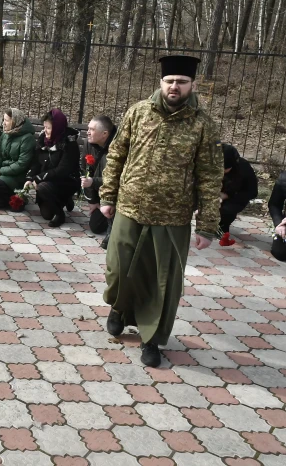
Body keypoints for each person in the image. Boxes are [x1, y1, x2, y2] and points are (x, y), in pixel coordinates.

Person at [99, 55, 223, 368]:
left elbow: (210, 176)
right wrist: (107, 195)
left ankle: (151, 338)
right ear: (161, 82)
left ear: (192, 85)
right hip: (130, 206)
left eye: (181, 82)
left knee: (163, 282)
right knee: (118, 269)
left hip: (173, 215)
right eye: (170, 81)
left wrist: (207, 225)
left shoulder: (203, 125)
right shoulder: (138, 112)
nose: (174, 87)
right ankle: (119, 309)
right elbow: (116, 155)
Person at [24, 109, 80, 227]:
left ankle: (60, 214)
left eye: (48, 128)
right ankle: (64, 200)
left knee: (42, 187)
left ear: (57, 128)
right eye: (44, 127)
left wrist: (38, 178)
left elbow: (62, 170)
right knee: (46, 214)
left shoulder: (69, 144)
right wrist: (29, 177)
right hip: (48, 179)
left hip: (66, 181)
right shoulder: (43, 139)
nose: (45, 131)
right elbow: (36, 162)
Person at [0, 108, 35, 209]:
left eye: (6, 120)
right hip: (3, 172)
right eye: (3, 120)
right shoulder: (5, 134)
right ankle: (10, 197)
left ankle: (17, 197)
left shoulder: (27, 138)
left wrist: (0, 171)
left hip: (18, 175)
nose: (3, 123)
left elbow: (22, 164)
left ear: (14, 121)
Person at [82, 115, 117, 236]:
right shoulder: (88, 143)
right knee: (95, 226)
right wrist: (92, 200)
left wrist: (94, 181)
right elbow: (84, 172)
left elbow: (117, 178)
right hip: (98, 193)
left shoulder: (118, 147)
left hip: (115, 194)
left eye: (92, 129)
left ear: (104, 134)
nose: (88, 132)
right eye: (88, 128)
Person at [218, 143, 259, 244]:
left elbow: (252, 192)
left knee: (226, 210)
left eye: (224, 169)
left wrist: (227, 196)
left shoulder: (243, 168)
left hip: (233, 198)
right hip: (211, 194)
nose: (221, 172)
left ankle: (223, 225)